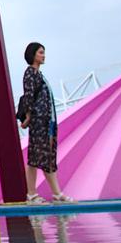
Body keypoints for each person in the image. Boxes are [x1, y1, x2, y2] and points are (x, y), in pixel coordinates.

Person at [20, 42, 71, 203]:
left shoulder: (38, 74)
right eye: (41, 52)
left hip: (47, 121)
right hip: (38, 121)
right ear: (33, 54)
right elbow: (28, 95)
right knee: (35, 157)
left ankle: (56, 193)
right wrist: (27, 116)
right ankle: (33, 194)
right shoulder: (30, 73)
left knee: (46, 157)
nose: (44, 55)